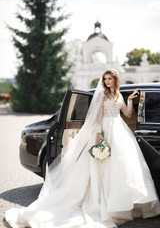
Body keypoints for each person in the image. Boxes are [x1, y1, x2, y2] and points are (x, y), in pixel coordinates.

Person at [5, 68, 160, 228]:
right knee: (104, 168)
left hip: (120, 130)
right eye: (105, 79)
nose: (107, 82)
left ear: (115, 80)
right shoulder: (101, 95)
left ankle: (121, 204)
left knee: (122, 167)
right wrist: (99, 134)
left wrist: (131, 100)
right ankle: (104, 204)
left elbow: (127, 114)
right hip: (106, 130)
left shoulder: (119, 95)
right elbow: (98, 115)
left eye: (110, 79)